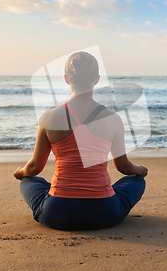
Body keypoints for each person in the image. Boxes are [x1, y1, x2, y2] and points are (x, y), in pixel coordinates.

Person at [13, 51, 148, 231]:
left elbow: (34, 167)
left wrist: (21, 172)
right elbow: (123, 167)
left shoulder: (49, 118)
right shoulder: (113, 118)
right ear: (97, 79)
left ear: (66, 79)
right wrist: (140, 170)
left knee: (29, 181)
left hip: (57, 213)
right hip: (105, 213)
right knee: (136, 181)